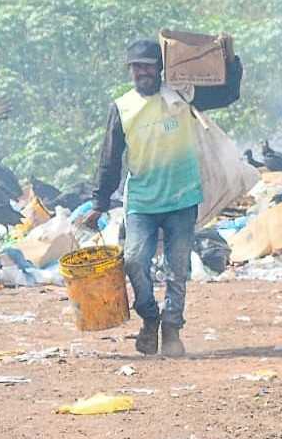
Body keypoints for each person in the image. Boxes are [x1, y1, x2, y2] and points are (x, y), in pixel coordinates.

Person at [85, 39, 242, 357]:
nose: (142, 72)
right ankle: (149, 317)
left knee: (177, 268)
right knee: (134, 261)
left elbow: (227, 94)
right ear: (130, 71)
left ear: (160, 68)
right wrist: (99, 203)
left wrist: (231, 61)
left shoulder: (181, 96)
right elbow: (110, 159)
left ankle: (172, 327)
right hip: (142, 202)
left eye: (147, 66)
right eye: (136, 67)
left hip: (182, 198)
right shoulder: (122, 107)